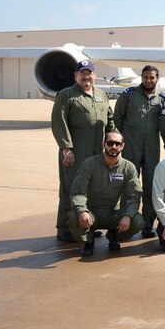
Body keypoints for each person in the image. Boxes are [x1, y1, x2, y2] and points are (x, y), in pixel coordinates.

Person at [52, 59, 114, 242]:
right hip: (75, 152)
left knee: (92, 190)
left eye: (89, 72)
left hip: (97, 154)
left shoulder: (101, 94)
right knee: (70, 189)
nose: (86, 76)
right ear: (75, 76)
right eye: (82, 73)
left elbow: (109, 121)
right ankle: (64, 227)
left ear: (94, 75)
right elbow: (58, 122)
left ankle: (87, 224)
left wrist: (113, 142)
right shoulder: (66, 95)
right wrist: (66, 148)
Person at [69, 130, 145, 257]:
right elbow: (77, 191)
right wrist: (82, 210)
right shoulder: (89, 164)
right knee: (74, 217)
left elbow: (134, 196)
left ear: (122, 146)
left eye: (117, 144)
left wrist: (128, 216)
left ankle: (114, 235)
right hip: (92, 213)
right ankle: (88, 240)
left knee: (138, 221)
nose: (113, 147)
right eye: (110, 143)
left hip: (113, 214)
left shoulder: (129, 168)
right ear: (104, 144)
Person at [113, 64, 164, 238]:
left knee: (150, 186)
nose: (148, 80)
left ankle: (148, 224)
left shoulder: (161, 99)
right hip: (131, 147)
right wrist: (127, 136)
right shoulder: (129, 96)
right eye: (145, 77)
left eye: (152, 77)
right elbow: (117, 118)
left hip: (151, 148)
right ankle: (125, 222)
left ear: (157, 79)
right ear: (141, 78)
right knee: (129, 185)